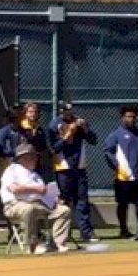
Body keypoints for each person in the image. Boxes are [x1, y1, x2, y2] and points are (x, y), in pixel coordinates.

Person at [0, 141, 71, 254]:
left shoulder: (35, 175)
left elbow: (44, 193)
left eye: (35, 157)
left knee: (64, 210)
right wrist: (36, 189)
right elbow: (14, 189)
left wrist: (55, 200)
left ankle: (58, 243)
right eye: (32, 157)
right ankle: (33, 245)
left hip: (39, 205)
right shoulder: (11, 170)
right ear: (22, 158)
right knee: (29, 209)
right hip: (15, 205)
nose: (35, 159)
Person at [102, 104, 138, 240]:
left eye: (133, 116)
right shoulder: (116, 135)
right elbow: (108, 151)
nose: (131, 119)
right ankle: (124, 230)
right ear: (122, 118)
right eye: (128, 116)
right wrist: (117, 165)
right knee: (122, 203)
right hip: (124, 178)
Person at [49, 102, 99, 243]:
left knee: (82, 201)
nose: (69, 114)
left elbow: (94, 140)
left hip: (79, 167)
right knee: (64, 202)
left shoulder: (79, 122)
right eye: (66, 111)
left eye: (71, 111)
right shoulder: (55, 125)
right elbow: (54, 148)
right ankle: (60, 235)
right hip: (63, 167)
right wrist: (67, 134)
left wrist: (85, 128)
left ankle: (86, 233)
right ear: (61, 111)